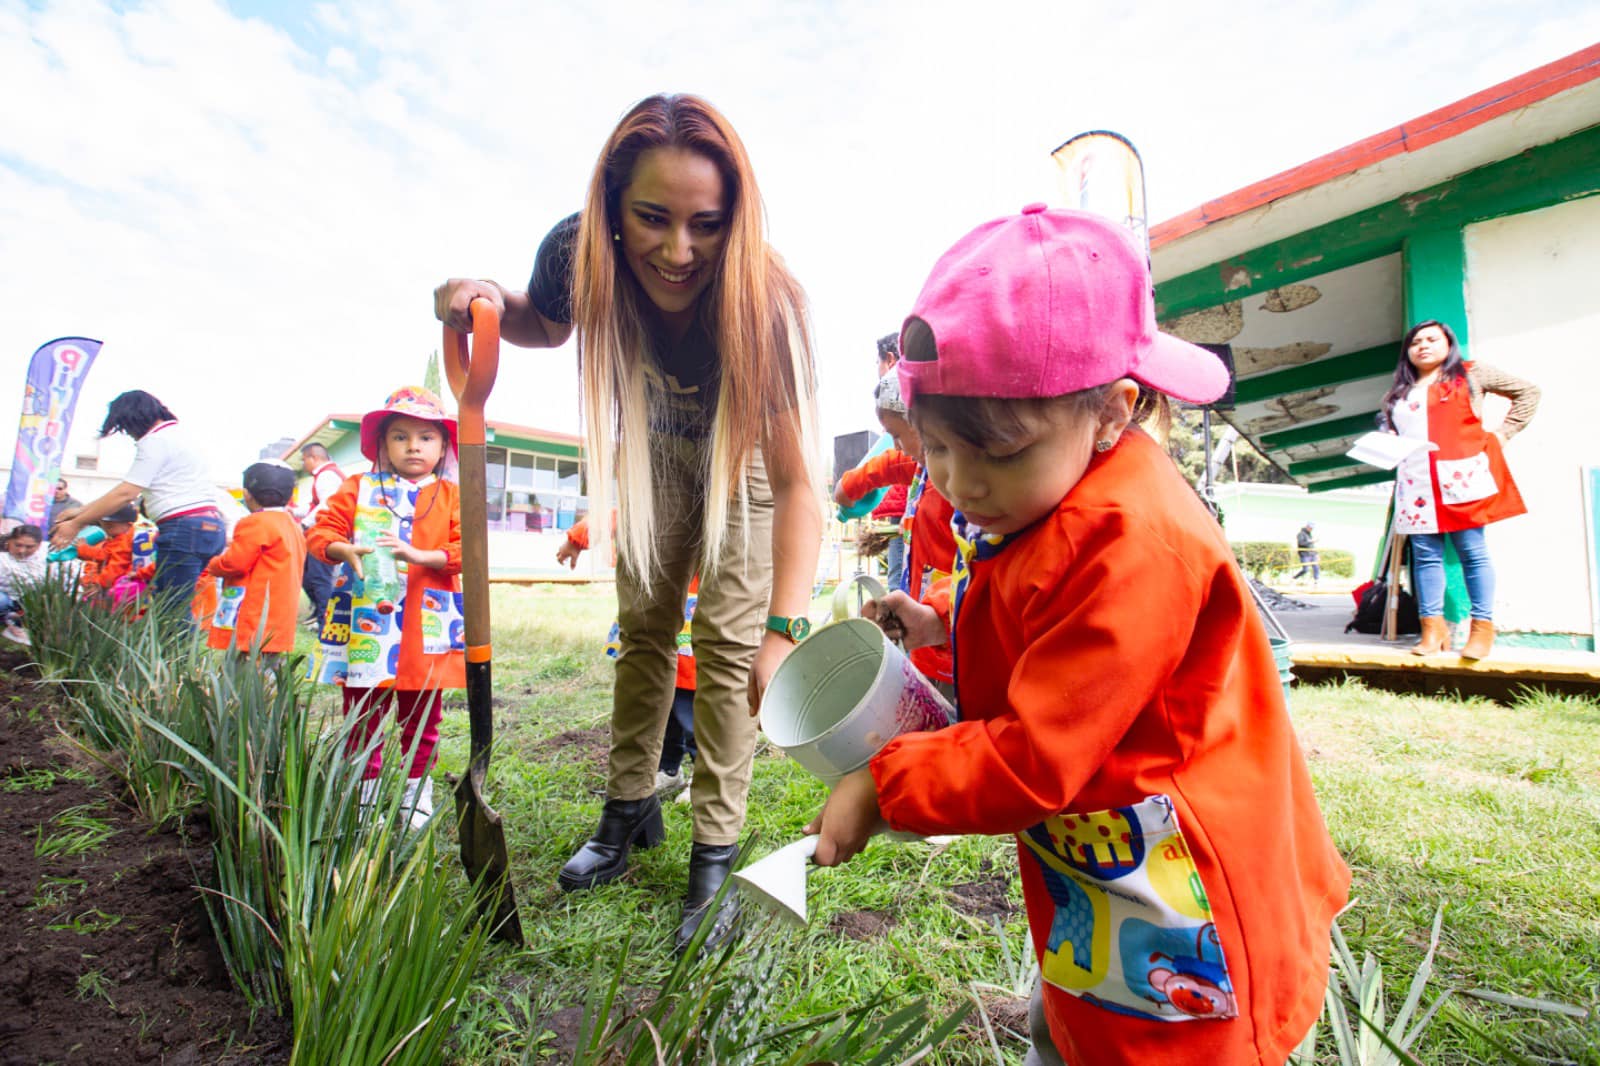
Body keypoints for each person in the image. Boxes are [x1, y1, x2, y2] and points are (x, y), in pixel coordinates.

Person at [807, 206, 1350, 1066]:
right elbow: (1034, 604)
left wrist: (885, 786)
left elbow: (1037, 753)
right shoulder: (1051, 492)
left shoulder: (1132, 539)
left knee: (1163, 1043)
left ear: (1111, 411)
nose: (962, 482)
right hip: (1113, 867)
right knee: (1087, 1018)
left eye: (999, 453)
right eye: (939, 448)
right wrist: (942, 619)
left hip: (1191, 888)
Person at [434, 93, 823, 955]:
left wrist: (784, 631)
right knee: (642, 630)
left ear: (735, 221)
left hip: (743, 464)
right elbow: (541, 321)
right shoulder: (578, 253)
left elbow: (800, 485)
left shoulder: (764, 300)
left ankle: (713, 854)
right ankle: (627, 809)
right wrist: (476, 298)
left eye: (706, 224)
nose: (678, 251)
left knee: (724, 650)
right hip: (652, 453)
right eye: (653, 218)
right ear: (612, 208)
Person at [306, 387, 466, 828]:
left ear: (443, 446)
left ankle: (417, 797)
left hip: (424, 622)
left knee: (422, 717)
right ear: (383, 444)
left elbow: (468, 548)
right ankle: (365, 799)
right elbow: (320, 534)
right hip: (363, 623)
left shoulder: (452, 495)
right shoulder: (356, 488)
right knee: (362, 716)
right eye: (400, 436)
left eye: (425, 437)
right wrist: (342, 549)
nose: (413, 446)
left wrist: (421, 557)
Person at [1379, 320, 1539, 660]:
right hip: (1416, 481)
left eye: (1432, 339)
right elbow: (1391, 429)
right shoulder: (1398, 392)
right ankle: (1432, 628)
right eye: (1416, 341)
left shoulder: (1472, 373)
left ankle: (1482, 628)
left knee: (1472, 550)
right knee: (1424, 556)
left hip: (1459, 476)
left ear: (1448, 344)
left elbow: (1528, 391)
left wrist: (1503, 433)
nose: (1423, 345)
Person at [48, 391, 225, 618]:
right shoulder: (180, 436)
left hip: (183, 528)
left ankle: (172, 654)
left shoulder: (154, 440)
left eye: (125, 428)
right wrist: (80, 512)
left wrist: (77, 522)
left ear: (133, 419)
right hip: (209, 526)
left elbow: (126, 492)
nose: (130, 436)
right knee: (178, 603)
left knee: (171, 609)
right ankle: (179, 652)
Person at [559, 514, 699, 798]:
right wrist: (575, 540)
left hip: (693, 611)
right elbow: (614, 515)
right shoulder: (654, 496)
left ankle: (703, 775)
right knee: (663, 703)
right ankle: (668, 770)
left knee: (691, 708)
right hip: (657, 605)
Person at [833, 370, 955, 693]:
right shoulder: (923, 468)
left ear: (922, 423)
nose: (898, 446)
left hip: (952, 643)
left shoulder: (957, 479)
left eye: (899, 435)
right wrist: (849, 485)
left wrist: (937, 616)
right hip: (928, 638)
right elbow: (888, 465)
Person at [200, 461, 306, 661]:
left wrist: (213, 564)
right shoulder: (291, 524)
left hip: (254, 610)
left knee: (246, 664)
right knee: (269, 661)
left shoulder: (254, 522)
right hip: (281, 610)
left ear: (247, 494)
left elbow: (235, 563)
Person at [295, 443, 346, 631]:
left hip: (325, 533)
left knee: (318, 578)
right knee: (309, 576)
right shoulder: (326, 475)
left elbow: (327, 504)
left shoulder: (327, 475)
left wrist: (304, 523)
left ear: (313, 458)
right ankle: (319, 614)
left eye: (303, 460)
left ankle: (326, 622)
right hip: (321, 532)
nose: (303, 464)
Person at [73, 503, 139, 596]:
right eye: (103, 524)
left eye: (110, 526)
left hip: (119, 588)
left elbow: (115, 568)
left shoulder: (125, 540)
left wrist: (99, 584)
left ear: (128, 524)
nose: (106, 529)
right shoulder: (118, 536)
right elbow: (105, 554)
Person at [0, 524, 47, 639]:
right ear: (10, 541)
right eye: (18, 545)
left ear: (39, 545)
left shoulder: (48, 556)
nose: (22, 551)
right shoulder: (2, 558)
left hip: (30, 600)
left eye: (29, 547)